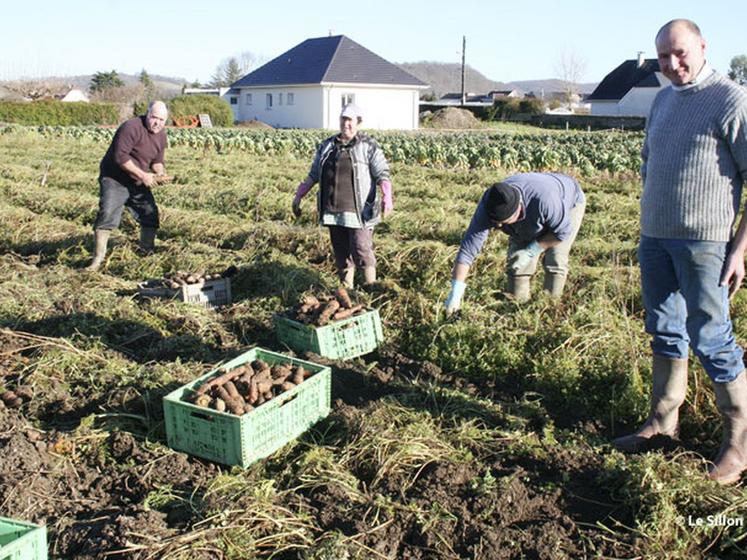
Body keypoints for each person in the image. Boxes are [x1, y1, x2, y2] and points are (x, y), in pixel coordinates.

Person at [612, 19, 747, 485]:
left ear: (703, 47)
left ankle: (738, 444)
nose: (672, 65)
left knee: (712, 338)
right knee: (666, 333)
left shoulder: (731, 99)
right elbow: (650, 161)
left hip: (706, 245)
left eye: (680, 54)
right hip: (656, 240)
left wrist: (739, 249)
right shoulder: (664, 99)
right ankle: (662, 424)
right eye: (664, 58)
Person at [444, 172, 585, 312]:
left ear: (517, 210)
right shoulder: (489, 204)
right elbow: (467, 251)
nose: (498, 227)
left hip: (568, 201)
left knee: (555, 258)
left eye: (503, 222)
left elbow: (562, 233)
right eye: (496, 223)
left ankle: (549, 308)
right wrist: (455, 293)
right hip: (534, 211)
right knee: (517, 263)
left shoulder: (546, 201)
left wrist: (532, 250)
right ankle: (517, 309)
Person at [292, 103, 392, 288]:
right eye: (343, 119)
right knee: (341, 252)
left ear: (358, 123)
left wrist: (387, 196)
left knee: (361, 248)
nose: (346, 124)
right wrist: (299, 196)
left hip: (359, 212)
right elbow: (314, 174)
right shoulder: (327, 145)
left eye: (350, 120)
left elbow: (382, 173)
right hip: (332, 210)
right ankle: (348, 290)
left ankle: (372, 287)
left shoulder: (368, 146)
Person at [87, 100, 169, 271]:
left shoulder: (161, 135)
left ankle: (146, 252)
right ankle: (97, 260)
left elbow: (157, 161)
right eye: (154, 118)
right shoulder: (131, 127)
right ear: (147, 114)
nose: (157, 123)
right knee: (108, 213)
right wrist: (143, 175)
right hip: (115, 178)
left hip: (137, 180)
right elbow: (120, 157)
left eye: (161, 120)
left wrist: (160, 173)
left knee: (149, 213)